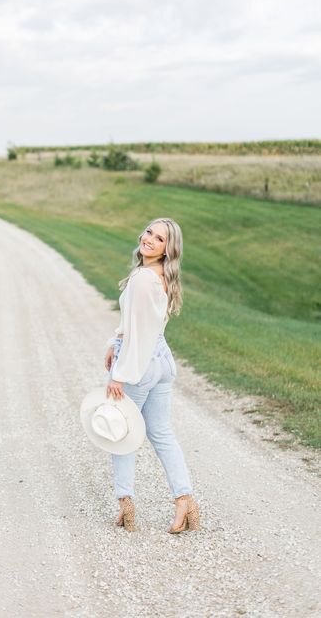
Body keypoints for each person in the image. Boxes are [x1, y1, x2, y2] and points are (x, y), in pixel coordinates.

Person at [104, 217, 200, 533]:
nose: (149, 239)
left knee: (121, 433)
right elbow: (140, 324)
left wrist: (120, 374)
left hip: (140, 363)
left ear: (166, 250)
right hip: (161, 360)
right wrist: (112, 341)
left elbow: (138, 334)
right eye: (148, 232)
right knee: (160, 431)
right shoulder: (158, 276)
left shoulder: (144, 278)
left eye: (159, 239)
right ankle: (184, 500)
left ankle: (125, 504)